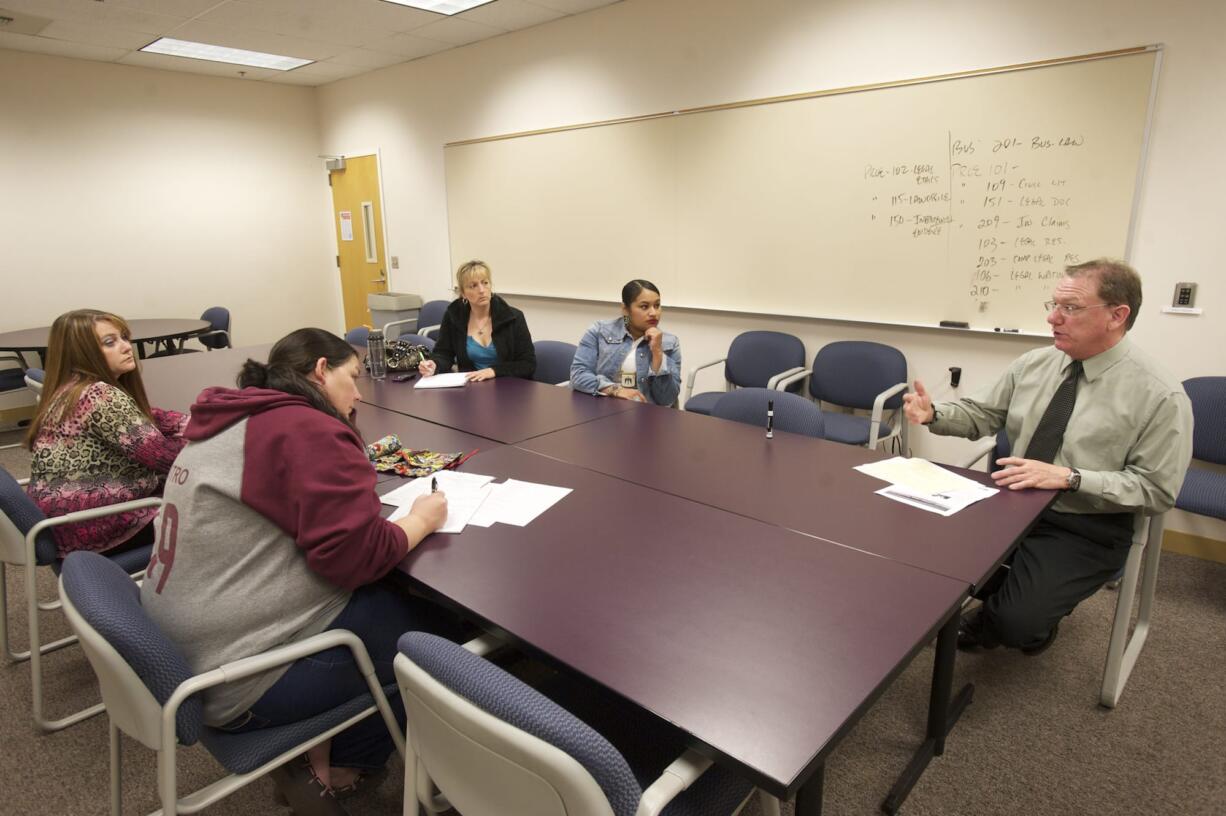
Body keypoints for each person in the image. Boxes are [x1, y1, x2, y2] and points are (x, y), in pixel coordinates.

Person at [141, 328, 459, 815]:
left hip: (181, 652)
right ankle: (340, 767)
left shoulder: (239, 415)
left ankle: (321, 748)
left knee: (386, 611)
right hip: (236, 677)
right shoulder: (303, 428)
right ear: (320, 371)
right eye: (352, 378)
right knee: (438, 635)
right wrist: (420, 519)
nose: (358, 394)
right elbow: (356, 558)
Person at [903, 259, 1192, 655]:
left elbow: (1157, 490)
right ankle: (1008, 586)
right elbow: (985, 414)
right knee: (916, 556)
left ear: (1117, 315)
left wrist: (1072, 478)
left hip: (1085, 524)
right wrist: (935, 413)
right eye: (1053, 304)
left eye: (1070, 308)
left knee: (1015, 622)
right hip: (1009, 500)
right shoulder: (1036, 363)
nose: (1053, 318)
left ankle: (1019, 620)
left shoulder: (1160, 395)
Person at [25, 309, 188, 558]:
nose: (126, 347)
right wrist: (222, 439)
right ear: (83, 353)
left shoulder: (70, 389)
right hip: (99, 527)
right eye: (110, 342)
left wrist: (201, 422)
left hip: (68, 525)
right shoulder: (100, 395)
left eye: (124, 338)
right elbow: (168, 459)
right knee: (221, 507)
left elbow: (152, 418)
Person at [417, 260, 536, 381]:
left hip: (510, 387)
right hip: (472, 387)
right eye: (473, 286)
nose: (481, 290)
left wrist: (494, 371)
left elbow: (528, 364)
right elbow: (443, 353)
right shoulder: (454, 316)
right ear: (463, 293)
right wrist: (434, 365)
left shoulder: (513, 317)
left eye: (485, 283)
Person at [570, 279, 682, 406]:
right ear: (625, 309)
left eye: (657, 305)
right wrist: (615, 390)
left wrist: (657, 352)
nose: (653, 313)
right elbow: (578, 375)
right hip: (603, 410)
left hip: (647, 417)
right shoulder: (599, 331)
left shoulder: (670, 343)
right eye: (644, 306)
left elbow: (667, 399)